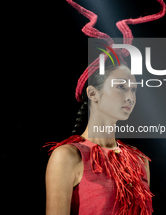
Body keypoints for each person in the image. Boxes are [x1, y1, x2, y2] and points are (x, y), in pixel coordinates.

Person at [44, 62, 153, 215]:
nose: (130, 97)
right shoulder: (68, 157)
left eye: (133, 90)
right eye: (121, 87)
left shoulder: (140, 160)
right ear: (93, 93)